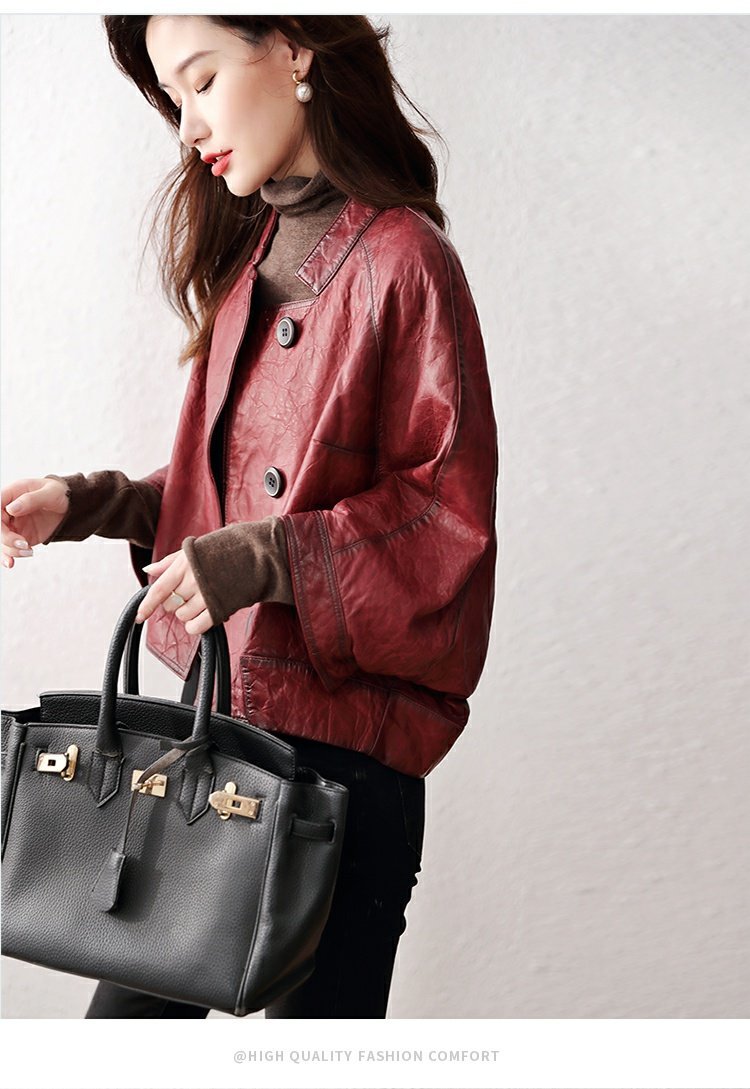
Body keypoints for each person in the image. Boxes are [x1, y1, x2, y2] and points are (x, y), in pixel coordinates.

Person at [1, 15, 498, 1018]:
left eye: (203, 80)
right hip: (218, 741)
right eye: (172, 98)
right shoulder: (256, 256)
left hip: (342, 778)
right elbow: (236, 487)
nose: (189, 127)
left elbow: (444, 517)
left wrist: (265, 556)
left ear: (295, 50)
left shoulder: (405, 260)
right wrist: (87, 502)